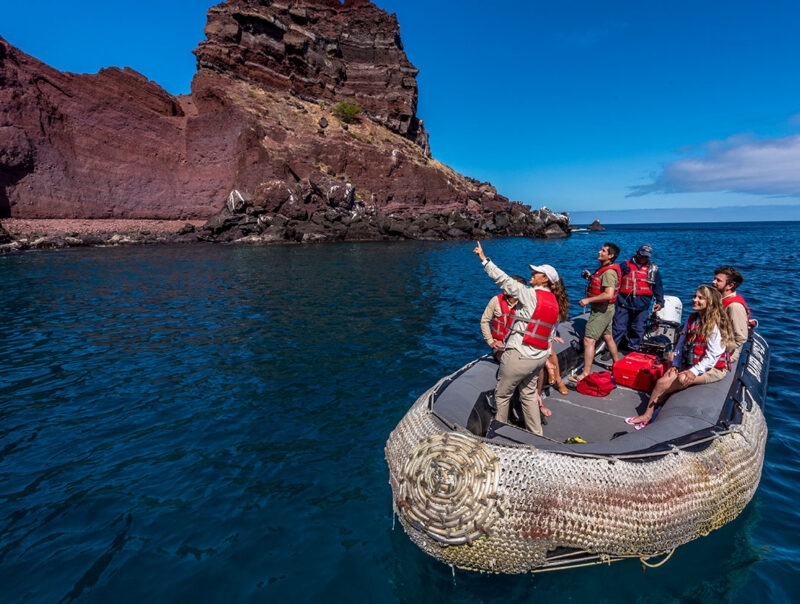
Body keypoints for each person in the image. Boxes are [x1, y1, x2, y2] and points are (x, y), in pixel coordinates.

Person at [473, 241, 570, 435]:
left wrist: (484, 259)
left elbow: (504, 280)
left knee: (502, 396)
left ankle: (501, 435)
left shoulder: (530, 295)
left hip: (520, 356)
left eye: (537, 273)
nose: (532, 274)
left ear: (545, 280)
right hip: (538, 358)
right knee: (528, 395)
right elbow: (549, 332)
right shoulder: (554, 302)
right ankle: (536, 435)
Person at [626, 285, 734, 429]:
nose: (695, 300)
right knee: (662, 381)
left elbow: (712, 357)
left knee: (679, 380)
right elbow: (681, 343)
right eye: (695, 296)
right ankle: (648, 414)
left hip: (713, 369)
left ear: (710, 301)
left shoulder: (716, 326)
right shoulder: (693, 319)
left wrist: (693, 371)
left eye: (700, 298)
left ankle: (657, 410)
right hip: (691, 363)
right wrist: (676, 364)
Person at [572, 242, 621, 383]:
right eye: (601, 249)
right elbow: (602, 285)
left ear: (611, 256)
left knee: (589, 340)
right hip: (606, 309)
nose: (600, 252)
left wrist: (588, 300)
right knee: (608, 337)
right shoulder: (604, 269)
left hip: (602, 310)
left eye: (604, 251)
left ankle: (586, 373)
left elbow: (608, 294)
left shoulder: (609, 273)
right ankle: (616, 364)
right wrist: (590, 278)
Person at [612, 244, 665, 351]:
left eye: (646, 256)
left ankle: (633, 349)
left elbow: (657, 286)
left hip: (642, 305)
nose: (643, 258)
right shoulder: (625, 265)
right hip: (624, 303)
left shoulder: (652, 269)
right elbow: (615, 281)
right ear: (637, 253)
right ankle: (611, 349)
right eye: (642, 255)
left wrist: (660, 301)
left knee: (638, 328)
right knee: (618, 328)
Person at [480, 276, 527, 361]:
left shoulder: (525, 304)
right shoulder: (496, 300)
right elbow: (484, 321)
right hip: (500, 345)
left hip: (519, 345)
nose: (504, 287)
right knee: (505, 359)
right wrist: (490, 341)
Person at [712, 265, 751, 363]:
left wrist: (718, 350)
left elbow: (741, 337)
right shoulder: (719, 300)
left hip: (722, 352)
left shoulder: (734, 307)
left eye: (718, 280)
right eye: (714, 279)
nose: (713, 282)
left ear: (730, 286)